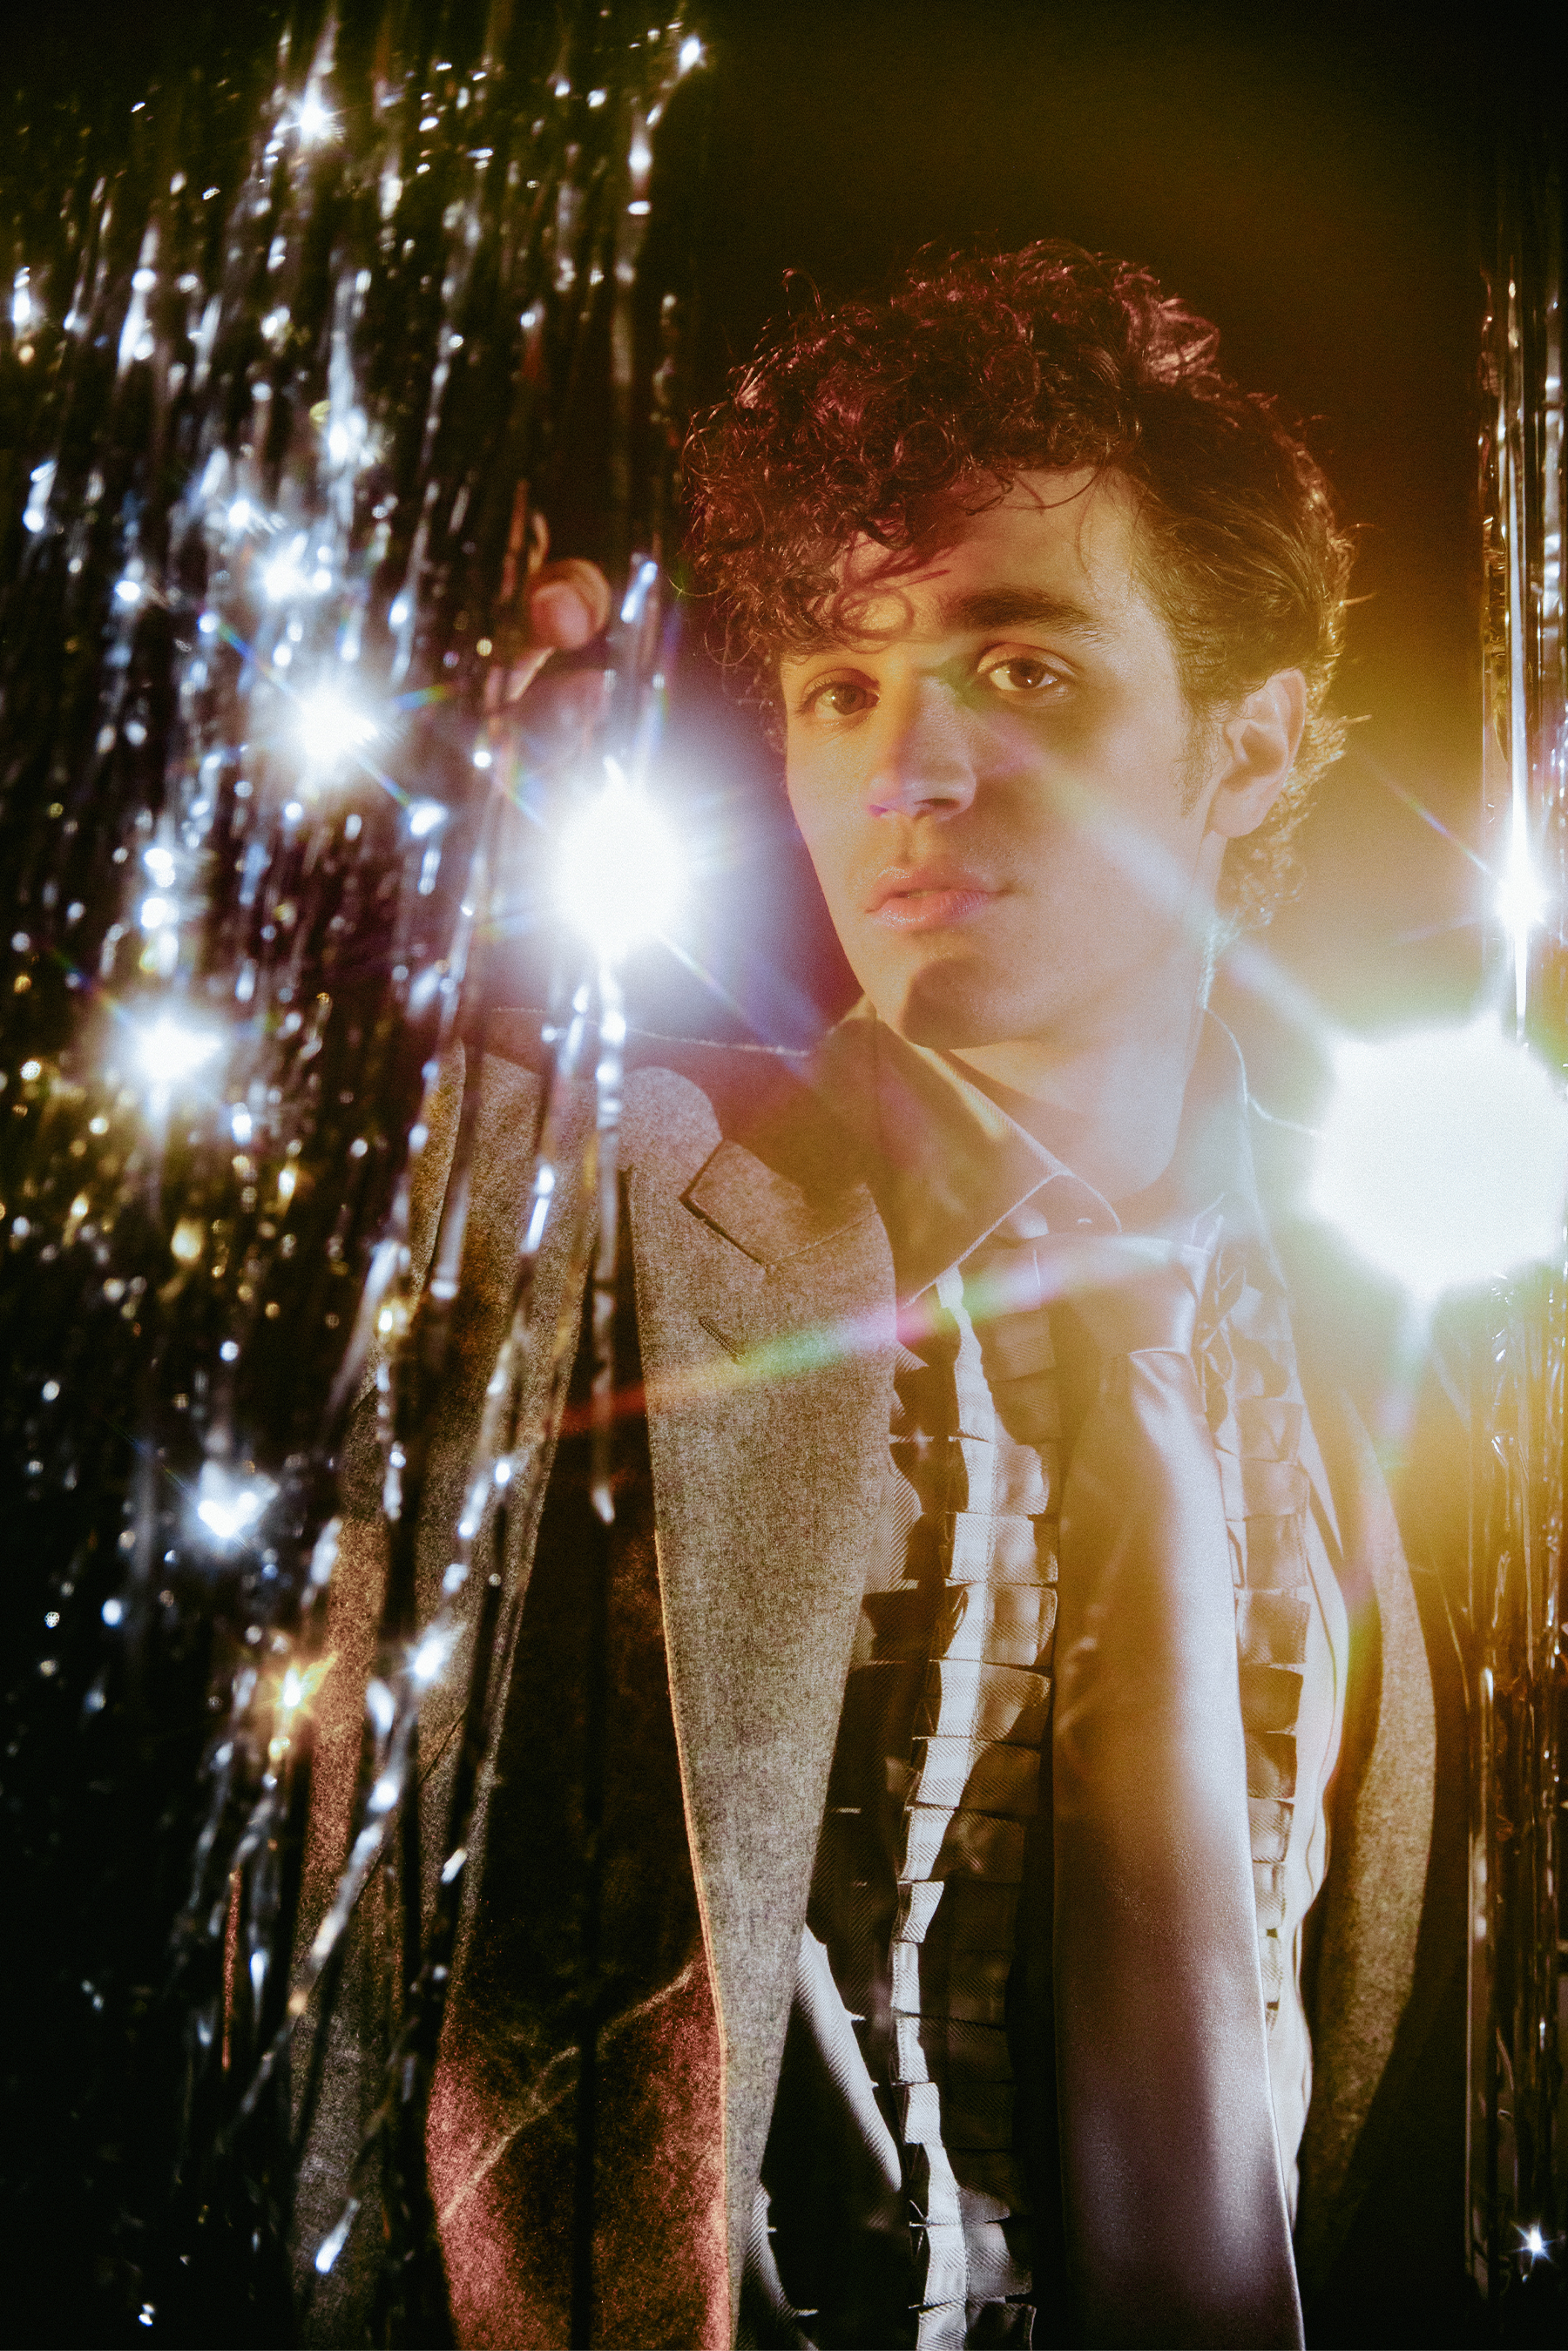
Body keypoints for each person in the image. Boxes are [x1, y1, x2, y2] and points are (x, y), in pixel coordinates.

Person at [294, 246, 1467, 2349]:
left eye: (1024, 671)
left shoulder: (1400, 1336)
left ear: (1257, 745)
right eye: (840, 685)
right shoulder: (597, 1189)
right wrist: (347, 859)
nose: (906, 771)